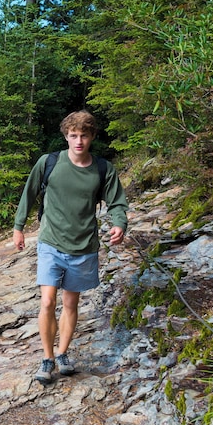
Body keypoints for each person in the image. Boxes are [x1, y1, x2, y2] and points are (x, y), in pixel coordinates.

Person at [12, 110, 129, 384]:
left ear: (92, 137)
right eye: (73, 135)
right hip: (51, 242)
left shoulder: (102, 169)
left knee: (70, 303)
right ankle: (47, 358)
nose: (78, 141)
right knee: (48, 300)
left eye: (84, 136)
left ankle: (63, 354)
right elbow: (28, 194)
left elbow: (117, 203)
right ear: (66, 136)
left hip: (84, 246)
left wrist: (119, 223)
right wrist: (19, 228)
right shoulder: (49, 162)